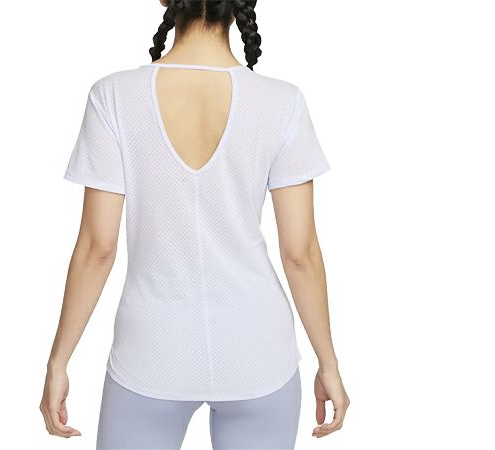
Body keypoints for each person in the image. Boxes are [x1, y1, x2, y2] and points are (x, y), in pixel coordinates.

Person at [39, 0, 350, 448]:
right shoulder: (283, 102)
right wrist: (328, 363)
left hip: (151, 353)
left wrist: (58, 362)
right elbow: (300, 254)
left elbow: (97, 248)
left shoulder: (113, 96)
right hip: (258, 354)